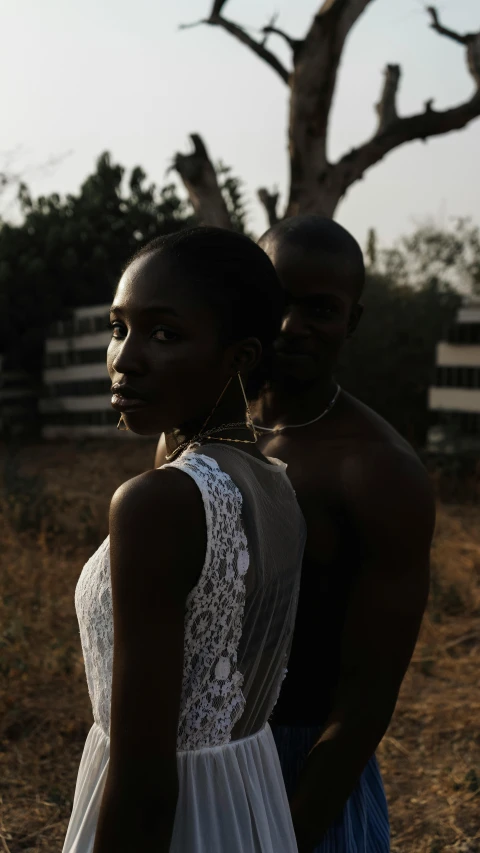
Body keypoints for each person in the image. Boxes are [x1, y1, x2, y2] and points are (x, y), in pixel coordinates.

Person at [155, 215, 436, 853]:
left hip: (304, 776)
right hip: (189, 761)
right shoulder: (190, 435)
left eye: (320, 309)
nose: (291, 325)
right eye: (279, 302)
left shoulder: (377, 469)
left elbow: (367, 696)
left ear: (352, 322)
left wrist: (292, 828)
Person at [62, 226, 307, 853]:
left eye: (164, 333)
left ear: (241, 357)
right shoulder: (273, 482)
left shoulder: (159, 503)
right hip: (249, 803)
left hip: (174, 825)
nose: (126, 357)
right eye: (120, 328)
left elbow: (145, 780)